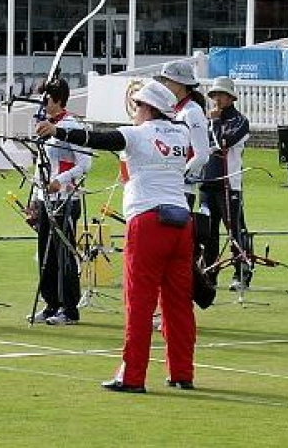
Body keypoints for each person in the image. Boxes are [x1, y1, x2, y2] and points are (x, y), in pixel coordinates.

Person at [36, 80, 195, 393]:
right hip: (182, 222)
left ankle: (132, 376)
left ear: (148, 108)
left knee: (139, 302)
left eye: (137, 106)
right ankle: (182, 372)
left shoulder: (138, 133)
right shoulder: (182, 132)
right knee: (178, 305)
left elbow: (98, 138)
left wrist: (58, 132)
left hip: (148, 223)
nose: (133, 111)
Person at [27, 78, 92, 326]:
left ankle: (69, 308)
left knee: (63, 253)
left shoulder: (70, 126)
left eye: (47, 99)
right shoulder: (45, 126)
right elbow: (40, 164)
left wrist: (61, 180)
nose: (43, 104)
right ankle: (51, 303)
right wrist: (35, 198)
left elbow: (85, 163)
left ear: (58, 100)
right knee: (45, 252)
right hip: (46, 198)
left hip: (65, 198)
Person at [199, 76, 251, 291]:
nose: (216, 99)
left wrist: (216, 121)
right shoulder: (206, 119)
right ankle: (209, 274)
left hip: (229, 183)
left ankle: (241, 274)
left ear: (230, 97)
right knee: (207, 233)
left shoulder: (240, 121)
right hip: (206, 182)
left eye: (220, 95)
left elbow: (223, 143)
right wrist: (209, 121)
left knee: (235, 230)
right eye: (213, 95)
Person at [155, 60, 210, 209]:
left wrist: (179, 175)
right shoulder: (174, 110)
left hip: (182, 189)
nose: (164, 85)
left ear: (180, 84)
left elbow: (202, 155)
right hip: (168, 187)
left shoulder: (193, 112)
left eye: (167, 81)